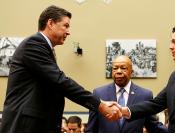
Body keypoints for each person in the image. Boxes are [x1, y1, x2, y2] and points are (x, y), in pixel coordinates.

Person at [0, 5, 121, 133]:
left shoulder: (44, 47)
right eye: (66, 26)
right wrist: (99, 105)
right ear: (51, 23)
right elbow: (60, 81)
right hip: (25, 126)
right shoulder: (34, 44)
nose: (69, 32)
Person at [85, 55, 167, 133]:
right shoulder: (99, 93)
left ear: (131, 72)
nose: (118, 71)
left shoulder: (145, 95)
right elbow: (91, 128)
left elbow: (153, 126)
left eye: (123, 68)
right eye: (115, 68)